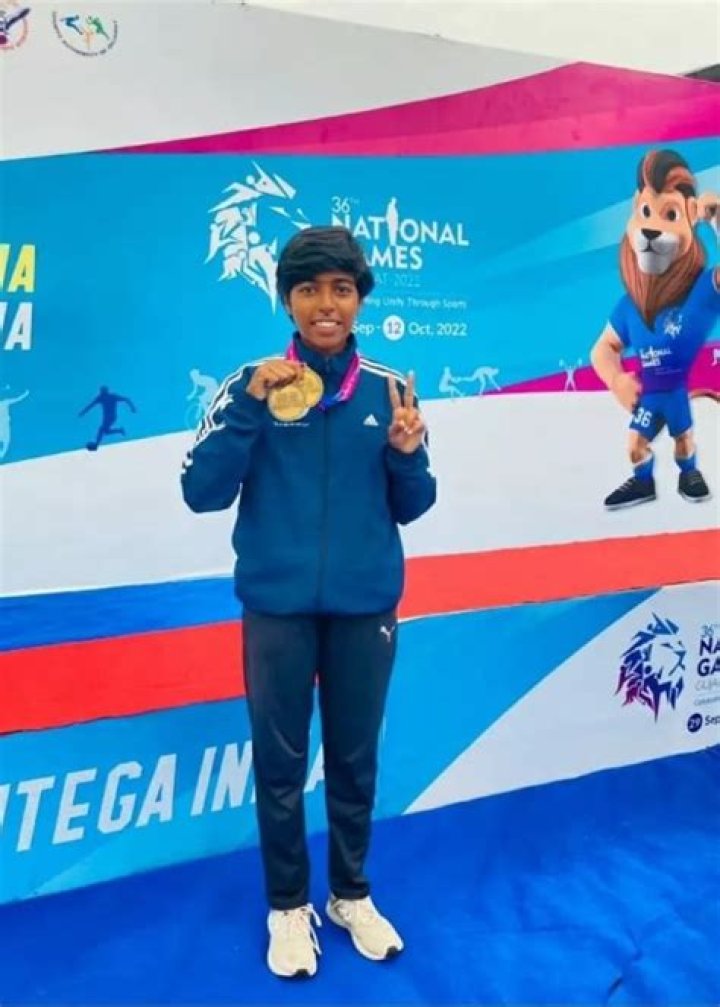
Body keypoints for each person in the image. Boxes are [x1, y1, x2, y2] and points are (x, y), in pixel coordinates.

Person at [181, 226, 437, 978]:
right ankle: (288, 906)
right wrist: (248, 410)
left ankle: (350, 894)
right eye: (308, 289)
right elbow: (201, 492)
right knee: (280, 764)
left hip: (365, 609)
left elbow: (415, 504)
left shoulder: (389, 390)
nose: (326, 304)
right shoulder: (250, 386)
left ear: (359, 300)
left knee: (355, 760)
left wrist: (407, 454)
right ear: (287, 300)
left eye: (341, 289)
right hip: (277, 610)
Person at [590, 148, 718, 510]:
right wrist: (616, 379)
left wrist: (718, 220)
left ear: (690, 216)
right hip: (649, 394)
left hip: (676, 390)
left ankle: (689, 473)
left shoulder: (700, 292)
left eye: (670, 215)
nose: (651, 228)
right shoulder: (630, 305)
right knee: (634, 445)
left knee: (683, 440)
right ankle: (643, 482)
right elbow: (602, 349)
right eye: (646, 212)